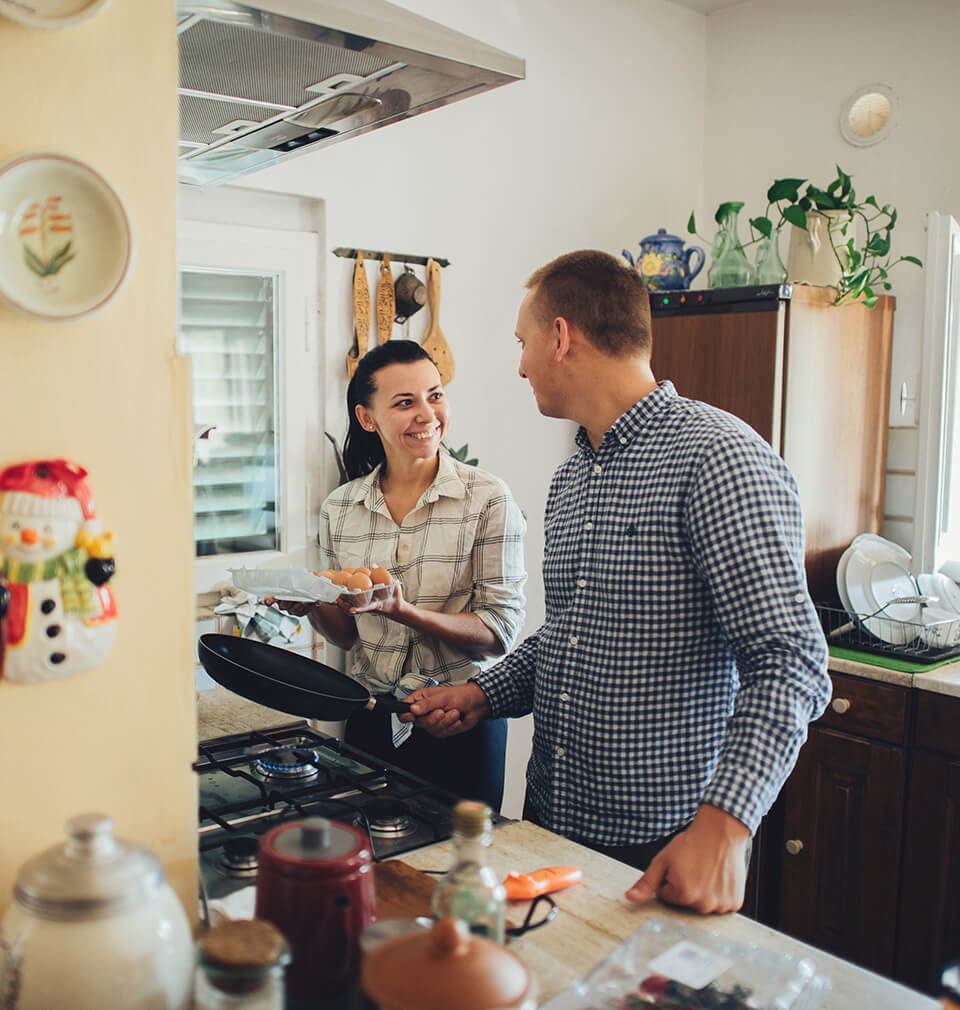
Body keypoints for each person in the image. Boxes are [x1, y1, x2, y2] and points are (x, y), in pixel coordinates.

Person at [402, 250, 831, 914]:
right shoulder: (572, 478)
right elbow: (573, 636)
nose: (519, 365)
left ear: (561, 336)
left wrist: (723, 827)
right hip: (548, 820)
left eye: (523, 342)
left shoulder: (721, 459)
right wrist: (483, 694)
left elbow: (792, 662)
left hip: (666, 845)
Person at [274, 339, 526, 812]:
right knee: (377, 869)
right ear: (367, 418)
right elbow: (348, 637)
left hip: (461, 722)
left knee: (457, 872)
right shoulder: (340, 508)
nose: (427, 414)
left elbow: (499, 633)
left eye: (435, 395)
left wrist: (404, 611)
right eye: (405, 402)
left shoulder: (488, 499)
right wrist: (315, 605)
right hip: (370, 719)